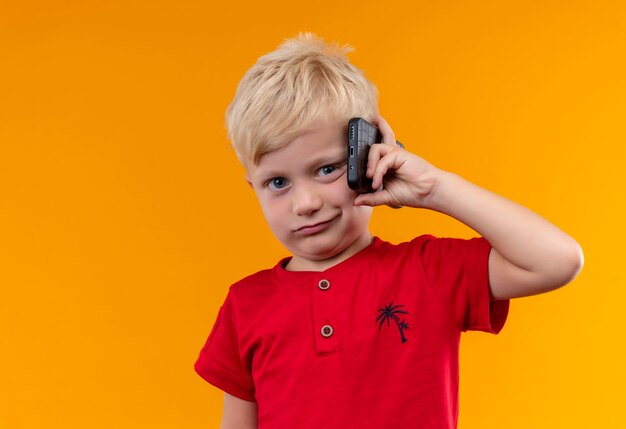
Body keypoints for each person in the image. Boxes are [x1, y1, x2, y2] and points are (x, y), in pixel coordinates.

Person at [194, 33, 583, 429]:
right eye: (278, 182)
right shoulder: (245, 305)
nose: (305, 203)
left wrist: (436, 187)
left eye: (326, 169)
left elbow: (557, 260)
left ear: (369, 156)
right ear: (253, 188)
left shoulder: (428, 272)